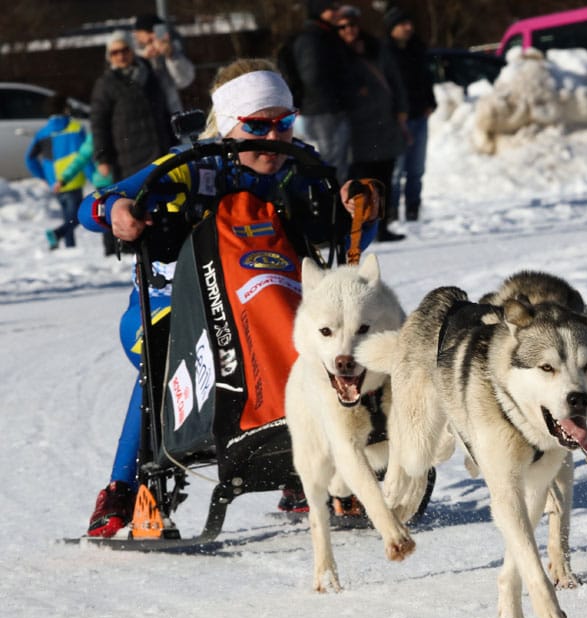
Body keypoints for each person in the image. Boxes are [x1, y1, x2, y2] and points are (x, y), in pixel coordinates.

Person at [78, 59, 382, 538]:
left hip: (258, 309)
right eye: (258, 126)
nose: (274, 138)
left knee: (311, 335)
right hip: (164, 310)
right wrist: (115, 209)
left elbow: (349, 228)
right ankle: (122, 487)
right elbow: (96, 203)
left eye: (284, 122)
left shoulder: (299, 167)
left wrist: (355, 204)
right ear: (231, 124)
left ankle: (312, 464)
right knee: (162, 353)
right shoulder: (190, 166)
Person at [90, 30, 175, 255]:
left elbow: (163, 110)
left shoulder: (148, 74)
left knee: (166, 198)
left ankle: (169, 241)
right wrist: (102, 157)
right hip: (128, 155)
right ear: (109, 57)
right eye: (115, 52)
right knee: (134, 202)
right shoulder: (106, 83)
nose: (120, 56)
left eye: (124, 50)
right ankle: (132, 247)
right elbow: (98, 123)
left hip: (159, 147)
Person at [337, 5, 408, 242]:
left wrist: (401, 111)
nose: (349, 30)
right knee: (359, 184)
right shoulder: (334, 54)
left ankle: (382, 227)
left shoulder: (376, 48)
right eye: (343, 26)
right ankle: (358, 228)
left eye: (352, 25)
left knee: (383, 182)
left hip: (384, 126)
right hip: (357, 133)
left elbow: (395, 81)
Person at [384, 6, 437, 222]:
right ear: (392, 28)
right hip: (396, 120)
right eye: (402, 24)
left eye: (409, 23)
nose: (408, 28)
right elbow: (385, 88)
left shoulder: (418, 48)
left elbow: (427, 78)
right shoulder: (384, 53)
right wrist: (393, 112)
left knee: (417, 169)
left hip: (419, 115)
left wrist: (431, 102)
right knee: (396, 172)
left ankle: (413, 209)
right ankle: (393, 212)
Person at [24, 93, 93, 251]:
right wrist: (92, 176)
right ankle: (57, 234)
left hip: (54, 181)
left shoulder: (43, 133)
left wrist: (44, 177)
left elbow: (30, 159)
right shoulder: (76, 128)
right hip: (72, 178)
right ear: (65, 108)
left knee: (69, 217)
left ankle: (70, 248)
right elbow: (85, 155)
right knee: (76, 218)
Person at [294, 0, 352, 181]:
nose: (336, 13)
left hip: (328, 108)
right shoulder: (313, 38)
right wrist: (336, 98)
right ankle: (332, 204)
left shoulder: (326, 35)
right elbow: (312, 77)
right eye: (331, 9)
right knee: (331, 162)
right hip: (323, 110)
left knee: (338, 160)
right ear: (319, 11)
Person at [132, 13, 196, 117]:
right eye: (149, 32)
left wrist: (171, 55)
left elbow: (184, 80)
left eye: (155, 32)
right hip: (143, 117)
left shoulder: (171, 49)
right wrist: (143, 59)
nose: (152, 36)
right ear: (137, 34)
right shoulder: (128, 52)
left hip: (170, 114)